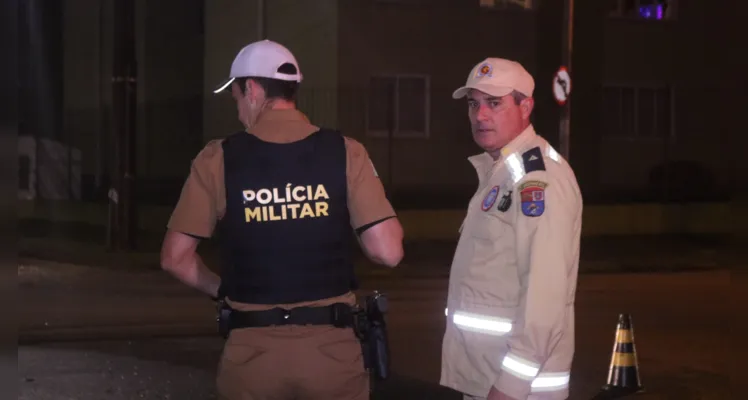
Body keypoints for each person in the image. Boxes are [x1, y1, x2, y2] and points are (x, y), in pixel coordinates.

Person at [159, 39, 404, 400]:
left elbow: (174, 258)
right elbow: (388, 252)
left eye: (237, 96)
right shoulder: (346, 151)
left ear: (253, 90)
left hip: (252, 357)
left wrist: (223, 291)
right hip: (332, 355)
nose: (238, 108)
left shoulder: (217, 159)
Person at [440, 57, 583, 400]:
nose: (480, 115)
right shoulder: (500, 173)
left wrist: (509, 387)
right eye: (474, 104)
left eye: (494, 103)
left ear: (526, 106)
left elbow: (545, 298)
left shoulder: (537, 179)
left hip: (516, 389)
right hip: (484, 379)